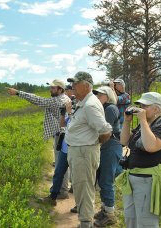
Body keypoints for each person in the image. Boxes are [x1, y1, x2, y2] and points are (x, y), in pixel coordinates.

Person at [116, 92, 161, 228]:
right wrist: (126, 121)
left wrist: (143, 121)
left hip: (149, 180)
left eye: (145, 106)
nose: (140, 109)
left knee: (146, 222)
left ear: (156, 109)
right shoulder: (145, 125)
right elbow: (124, 141)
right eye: (140, 106)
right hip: (133, 177)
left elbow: (151, 146)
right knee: (130, 218)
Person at [6, 80, 71, 197]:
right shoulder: (66, 98)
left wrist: (18, 93)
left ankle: (62, 190)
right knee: (63, 162)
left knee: (60, 164)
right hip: (64, 134)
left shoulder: (57, 101)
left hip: (61, 135)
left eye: (53, 88)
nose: (50, 90)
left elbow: (38, 100)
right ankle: (64, 188)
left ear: (60, 90)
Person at [65, 71, 112, 228]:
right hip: (80, 152)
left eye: (76, 84)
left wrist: (94, 143)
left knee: (83, 189)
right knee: (80, 187)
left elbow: (105, 131)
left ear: (86, 86)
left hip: (84, 153)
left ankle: (86, 224)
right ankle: (85, 222)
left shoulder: (90, 105)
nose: (73, 87)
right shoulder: (84, 102)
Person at [93, 86, 123, 227]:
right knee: (102, 178)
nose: (98, 97)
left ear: (109, 96)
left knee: (106, 180)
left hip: (111, 147)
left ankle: (110, 214)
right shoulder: (103, 108)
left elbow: (104, 129)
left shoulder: (110, 108)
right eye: (97, 94)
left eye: (101, 95)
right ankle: (105, 209)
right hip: (105, 147)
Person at [41, 101, 73, 205]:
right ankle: (53, 196)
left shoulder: (82, 111)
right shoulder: (72, 112)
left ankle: (79, 204)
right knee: (58, 173)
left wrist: (70, 112)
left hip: (75, 150)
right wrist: (63, 114)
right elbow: (62, 124)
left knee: (77, 177)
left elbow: (76, 126)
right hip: (65, 149)